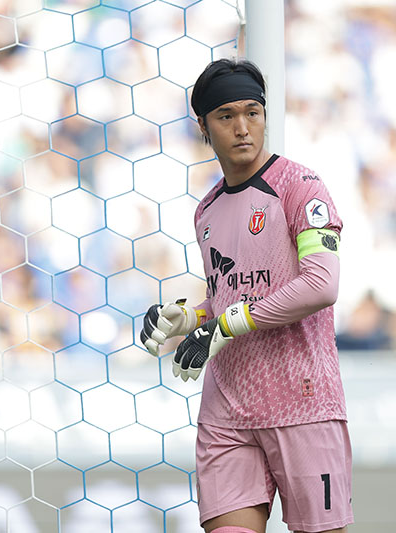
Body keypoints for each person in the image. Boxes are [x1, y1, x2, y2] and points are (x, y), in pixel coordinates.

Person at [140, 57, 353, 533]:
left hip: (301, 402)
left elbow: (321, 284)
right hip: (227, 410)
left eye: (252, 112)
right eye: (226, 116)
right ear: (203, 126)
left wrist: (226, 323)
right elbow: (229, 296)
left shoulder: (301, 188)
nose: (242, 128)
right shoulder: (207, 210)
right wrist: (189, 319)